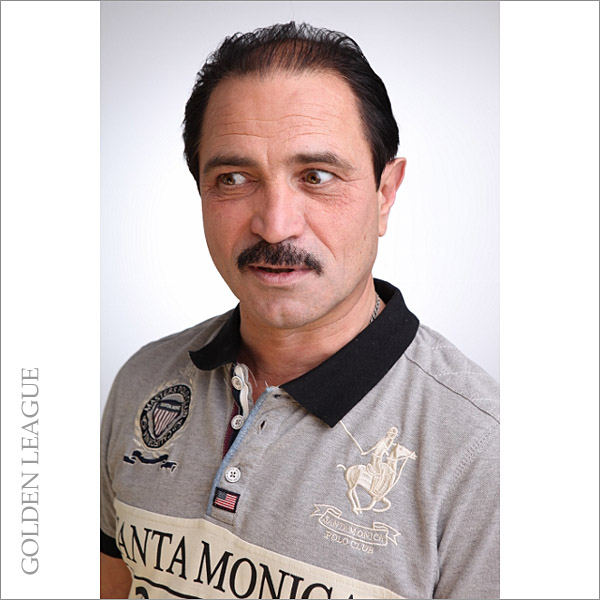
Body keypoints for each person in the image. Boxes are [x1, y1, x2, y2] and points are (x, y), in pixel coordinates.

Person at [100, 21, 499, 599]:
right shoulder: (144, 380)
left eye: (317, 176)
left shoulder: (484, 452)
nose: (275, 224)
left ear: (386, 193)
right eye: (234, 178)